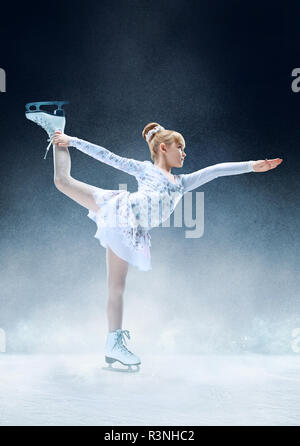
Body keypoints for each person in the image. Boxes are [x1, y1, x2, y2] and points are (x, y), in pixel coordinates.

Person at [29, 113, 283, 370]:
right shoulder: (145, 169)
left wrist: (252, 165)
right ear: (164, 147)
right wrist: (72, 141)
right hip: (120, 210)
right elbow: (107, 156)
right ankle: (58, 129)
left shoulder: (183, 183)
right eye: (180, 148)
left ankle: (113, 345)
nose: (184, 153)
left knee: (116, 289)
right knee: (62, 181)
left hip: (132, 232)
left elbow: (216, 171)